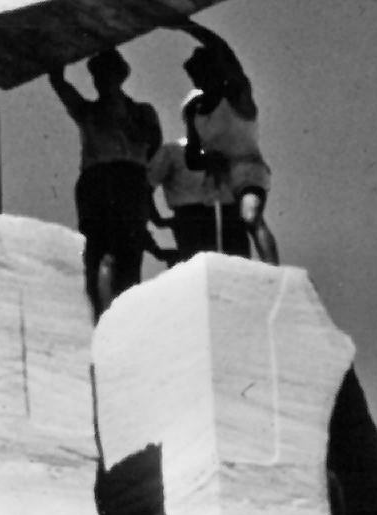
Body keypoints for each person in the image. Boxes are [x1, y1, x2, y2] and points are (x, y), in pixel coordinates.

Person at [49, 47, 162, 319]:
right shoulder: (87, 111)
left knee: (128, 254)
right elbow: (59, 84)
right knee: (95, 254)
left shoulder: (141, 111)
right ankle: (100, 315)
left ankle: (126, 316)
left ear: (118, 77)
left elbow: (152, 144)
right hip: (97, 183)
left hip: (128, 181)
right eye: (97, 76)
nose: (101, 81)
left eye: (106, 75)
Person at [175, 19, 278, 265]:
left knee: (250, 216)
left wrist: (188, 27)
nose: (200, 80)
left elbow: (225, 52)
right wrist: (207, 159)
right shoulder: (195, 110)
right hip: (219, 181)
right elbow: (192, 158)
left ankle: (275, 271)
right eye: (195, 76)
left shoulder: (236, 95)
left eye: (204, 72)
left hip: (248, 171)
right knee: (228, 242)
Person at [147, 124, 249, 263]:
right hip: (192, 220)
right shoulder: (172, 151)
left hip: (229, 217)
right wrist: (157, 219)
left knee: (238, 268)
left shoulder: (229, 152)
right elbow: (146, 186)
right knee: (199, 269)